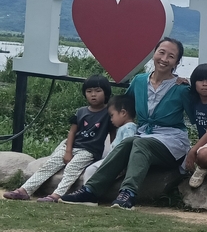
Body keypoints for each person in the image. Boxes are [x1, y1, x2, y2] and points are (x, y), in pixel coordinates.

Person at [62, 38, 191, 210]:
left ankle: (128, 193)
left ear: (177, 62)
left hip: (171, 141)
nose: (164, 59)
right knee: (130, 141)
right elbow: (124, 109)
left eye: (171, 56)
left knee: (140, 142)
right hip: (143, 136)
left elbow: (198, 115)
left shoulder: (182, 88)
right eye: (161, 52)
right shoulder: (139, 81)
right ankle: (90, 191)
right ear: (154, 53)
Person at [3, 75, 113, 202]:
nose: (93, 94)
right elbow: (72, 132)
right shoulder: (81, 112)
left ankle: (56, 195)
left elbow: (113, 134)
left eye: (98, 91)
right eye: (89, 91)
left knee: (72, 168)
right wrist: (68, 151)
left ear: (106, 92)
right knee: (49, 165)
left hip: (89, 151)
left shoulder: (109, 113)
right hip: (72, 147)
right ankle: (24, 190)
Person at [80, 93, 138, 186]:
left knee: (91, 170)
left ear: (123, 113)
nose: (111, 119)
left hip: (117, 162)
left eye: (112, 115)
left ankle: (88, 190)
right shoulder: (126, 127)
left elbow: (127, 144)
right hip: (114, 160)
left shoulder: (129, 127)